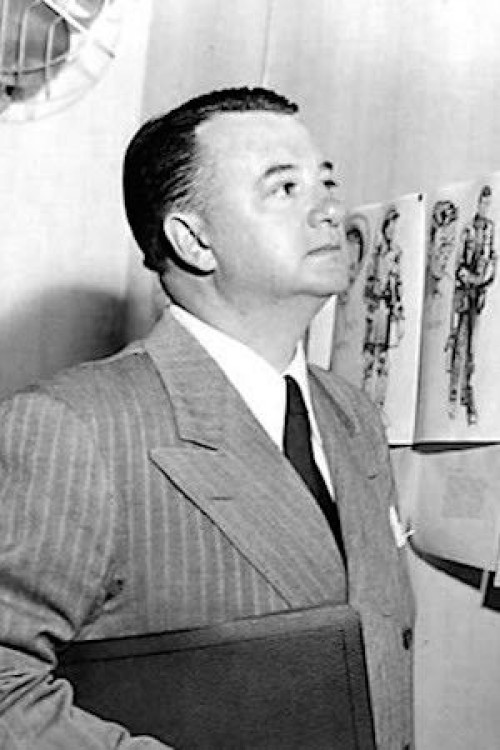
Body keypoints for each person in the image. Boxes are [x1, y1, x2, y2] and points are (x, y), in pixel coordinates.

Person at [0, 87, 414, 749]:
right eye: (285, 188)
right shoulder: (75, 426)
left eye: (327, 182)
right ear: (193, 239)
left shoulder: (353, 416)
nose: (330, 209)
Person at [445, 185, 496, 424]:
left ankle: (468, 394)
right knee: (459, 345)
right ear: (478, 204)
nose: (486, 207)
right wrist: (472, 278)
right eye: (483, 203)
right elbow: (459, 268)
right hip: (464, 296)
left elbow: (492, 263)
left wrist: (482, 279)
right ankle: (453, 395)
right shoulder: (468, 230)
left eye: (489, 203)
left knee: (473, 351)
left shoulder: (491, 231)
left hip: (478, 298)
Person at [362, 205, 405, 415]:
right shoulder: (377, 254)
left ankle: (379, 406)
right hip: (376, 308)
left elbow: (399, 284)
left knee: (383, 360)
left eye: (395, 226)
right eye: (390, 225)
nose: (393, 230)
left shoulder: (396, 252)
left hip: (388, 309)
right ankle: (364, 404)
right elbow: (368, 285)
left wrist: (399, 312)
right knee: (370, 358)